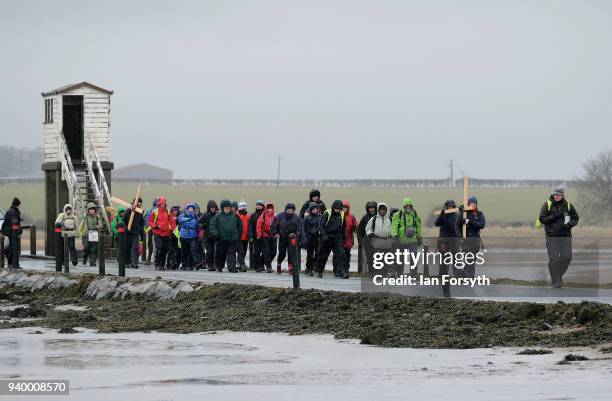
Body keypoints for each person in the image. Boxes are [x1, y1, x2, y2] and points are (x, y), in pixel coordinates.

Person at [537, 187, 579, 288]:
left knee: (567, 258)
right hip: (552, 237)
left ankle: (558, 276)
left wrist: (569, 225)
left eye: (558, 194)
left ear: (563, 195)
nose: (556, 196)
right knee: (554, 259)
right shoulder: (547, 204)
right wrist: (553, 216)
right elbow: (542, 219)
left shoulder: (568, 205)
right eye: (555, 194)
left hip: (565, 236)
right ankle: (556, 281)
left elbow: (575, 218)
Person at [435, 200, 461, 297]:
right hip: (443, 241)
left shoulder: (456, 216)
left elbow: (454, 226)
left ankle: (456, 275)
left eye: (452, 206)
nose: (450, 208)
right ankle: (443, 275)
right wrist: (442, 215)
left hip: (453, 240)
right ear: (446, 207)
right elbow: (437, 223)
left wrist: (462, 213)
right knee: (444, 260)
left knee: (455, 258)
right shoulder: (443, 215)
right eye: (448, 207)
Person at [209, 199, 243, 273]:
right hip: (221, 239)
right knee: (220, 254)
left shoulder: (235, 216)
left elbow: (240, 226)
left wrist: (237, 235)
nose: (227, 208)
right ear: (222, 207)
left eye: (228, 206)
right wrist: (216, 234)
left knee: (232, 254)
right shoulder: (217, 216)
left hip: (232, 239)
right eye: (225, 207)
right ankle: (219, 266)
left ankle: (232, 268)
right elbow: (212, 225)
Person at [391, 197, 422, 276]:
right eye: (406, 206)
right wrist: (394, 235)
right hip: (402, 240)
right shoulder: (399, 214)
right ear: (404, 207)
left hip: (412, 240)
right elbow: (394, 225)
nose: (408, 208)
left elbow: (418, 225)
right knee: (401, 257)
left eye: (409, 206)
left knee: (414, 256)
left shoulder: (415, 214)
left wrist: (419, 236)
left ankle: (413, 273)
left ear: (411, 206)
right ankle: (400, 273)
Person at [316, 200, 347, 279]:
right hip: (327, 237)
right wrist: (324, 236)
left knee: (341, 255)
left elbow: (343, 227)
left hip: (337, 238)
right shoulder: (327, 213)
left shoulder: (342, 214)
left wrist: (343, 236)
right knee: (323, 256)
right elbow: (321, 227)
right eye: (336, 209)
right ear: (333, 207)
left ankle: (342, 272)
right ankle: (319, 271)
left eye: (339, 209)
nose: (338, 210)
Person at [457, 196, 486, 279]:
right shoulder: (464, 213)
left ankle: (470, 277)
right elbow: (457, 225)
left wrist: (469, 221)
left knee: (472, 260)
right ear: (468, 205)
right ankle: (466, 277)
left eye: (474, 204)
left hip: (475, 241)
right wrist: (460, 236)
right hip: (465, 241)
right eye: (471, 204)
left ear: (476, 205)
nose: (473, 206)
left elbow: (481, 225)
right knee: (467, 259)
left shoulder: (479, 214)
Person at [271, 203, 302, 275]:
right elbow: (273, 225)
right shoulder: (279, 216)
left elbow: (299, 227)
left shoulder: (296, 218)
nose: (290, 212)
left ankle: (290, 268)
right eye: (288, 210)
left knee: (291, 253)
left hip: (292, 238)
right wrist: (275, 233)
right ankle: (279, 265)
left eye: (292, 210)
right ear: (286, 210)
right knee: (282, 253)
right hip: (282, 237)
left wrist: (297, 235)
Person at [147, 197, 176, 270]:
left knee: (165, 249)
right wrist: (155, 226)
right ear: (159, 204)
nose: (163, 205)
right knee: (159, 248)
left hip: (166, 234)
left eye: (164, 204)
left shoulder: (168, 211)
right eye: (161, 204)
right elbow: (150, 221)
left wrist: (173, 229)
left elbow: (172, 221)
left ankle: (162, 264)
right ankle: (157, 264)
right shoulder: (155, 211)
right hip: (157, 233)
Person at [365, 202, 393, 273]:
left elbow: (394, 228)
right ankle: (378, 273)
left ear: (386, 210)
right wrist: (370, 233)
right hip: (377, 241)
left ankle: (386, 273)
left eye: (384, 209)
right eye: (381, 209)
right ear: (378, 210)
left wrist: (393, 234)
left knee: (387, 258)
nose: (382, 211)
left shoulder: (390, 219)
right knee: (378, 258)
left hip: (388, 241)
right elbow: (368, 228)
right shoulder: (374, 218)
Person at [123, 198, 145, 269]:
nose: (140, 203)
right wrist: (130, 210)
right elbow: (125, 219)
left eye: (141, 202)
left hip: (136, 233)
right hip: (128, 232)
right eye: (138, 202)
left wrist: (142, 235)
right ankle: (126, 262)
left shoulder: (140, 212)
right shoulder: (128, 210)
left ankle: (134, 263)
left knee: (134, 248)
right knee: (127, 248)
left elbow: (141, 224)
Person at [79, 202, 103, 267]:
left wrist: (98, 226)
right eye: (90, 209)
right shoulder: (85, 216)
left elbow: (101, 224)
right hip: (86, 233)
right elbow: (81, 225)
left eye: (93, 209)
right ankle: (84, 257)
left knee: (94, 249)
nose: (92, 210)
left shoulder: (97, 216)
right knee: (86, 248)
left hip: (94, 233)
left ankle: (93, 262)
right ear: (88, 210)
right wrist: (79, 233)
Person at [301, 202, 321, 276]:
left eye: (316, 209)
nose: (315, 210)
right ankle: (309, 269)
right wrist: (305, 238)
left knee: (318, 254)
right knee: (309, 255)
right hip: (309, 238)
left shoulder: (320, 217)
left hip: (318, 238)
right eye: (313, 209)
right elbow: (303, 229)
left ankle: (315, 268)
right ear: (310, 210)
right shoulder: (307, 218)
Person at [357, 201, 377, 273]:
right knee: (369, 257)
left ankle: (378, 272)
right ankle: (371, 272)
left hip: (378, 241)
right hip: (367, 241)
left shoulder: (379, 217)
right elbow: (360, 230)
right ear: (367, 209)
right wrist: (360, 241)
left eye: (373, 208)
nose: (372, 210)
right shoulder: (364, 218)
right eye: (370, 208)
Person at [256, 202, 277, 273]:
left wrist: (278, 233)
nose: (269, 209)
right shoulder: (263, 215)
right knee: (266, 252)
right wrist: (259, 235)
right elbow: (258, 225)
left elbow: (278, 226)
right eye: (268, 208)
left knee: (274, 252)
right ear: (266, 208)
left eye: (271, 208)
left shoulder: (275, 216)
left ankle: (261, 264)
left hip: (273, 236)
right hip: (265, 236)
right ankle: (269, 267)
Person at [178, 203, 200, 270]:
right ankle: (184, 265)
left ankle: (193, 264)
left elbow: (196, 225)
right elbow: (180, 220)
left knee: (193, 250)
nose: (191, 209)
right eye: (189, 208)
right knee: (184, 251)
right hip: (184, 236)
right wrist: (189, 220)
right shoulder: (182, 215)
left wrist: (187, 222)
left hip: (193, 236)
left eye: (192, 208)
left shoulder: (195, 216)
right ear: (186, 209)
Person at [1, 197, 22, 268]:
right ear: (18, 204)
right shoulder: (14, 212)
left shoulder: (10, 211)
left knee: (11, 246)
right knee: (14, 247)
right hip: (13, 232)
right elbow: (15, 222)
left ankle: (12, 263)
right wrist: (19, 231)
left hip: (9, 231)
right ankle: (14, 264)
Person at [199, 200, 218, 271]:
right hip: (207, 237)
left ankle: (215, 264)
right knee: (209, 251)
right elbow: (199, 223)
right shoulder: (205, 215)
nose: (212, 209)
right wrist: (203, 225)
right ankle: (210, 265)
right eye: (211, 208)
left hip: (215, 236)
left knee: (215, 251)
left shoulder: (217, 215)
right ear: (209, 208)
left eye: (213, 207)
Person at [341, 200, 358, 276]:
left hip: (348, 240)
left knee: (347, 255)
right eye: (343, 207)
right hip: (339, 239)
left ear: (348, 208)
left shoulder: (352, 217)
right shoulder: (338, 216)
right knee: (340, 255)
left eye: (345, 208)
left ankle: (346, 270)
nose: (344, 209)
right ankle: (339, 271)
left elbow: (356, 228)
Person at [249, 200, 265, 272]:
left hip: (264, 236)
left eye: (259, 205)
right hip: (256, 237)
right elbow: (251, 227)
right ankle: (257, 266)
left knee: (265, 252)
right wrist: (251, 236)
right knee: (256, 252)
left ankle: (262, 264)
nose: (258, 206)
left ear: (263, 206)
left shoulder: (265, 214)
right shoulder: (253, 215)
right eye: (257, 205)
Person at [236, 200, 251, 272]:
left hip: (246, 237)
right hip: (238, 237)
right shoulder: (236, 215)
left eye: (244, 207)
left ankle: (239, 263)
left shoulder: (248, 216)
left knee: (244, 251)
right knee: (240, 251)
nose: (243, 209)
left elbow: (250, 226)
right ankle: (242, 264)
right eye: (242, 207)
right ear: (239, 208)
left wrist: (250, 235)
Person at [143, 197, 158, 265]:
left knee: (151, 244)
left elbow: (146, 220)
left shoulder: (150, 210)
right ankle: (151, 259)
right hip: (154, 229)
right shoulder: (151, 210)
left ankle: (150, 259)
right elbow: (147, 219)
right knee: (153, 244)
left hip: (152, 229)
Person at [168, 205, 182, 270]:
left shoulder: (179, 218)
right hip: (170, 236)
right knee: (171, 250)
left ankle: (176, 263)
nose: (175, 212)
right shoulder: (169, 217)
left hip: (177, 236)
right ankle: (170, 263)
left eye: (176, 210)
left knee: (177, 250)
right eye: (174, 210)